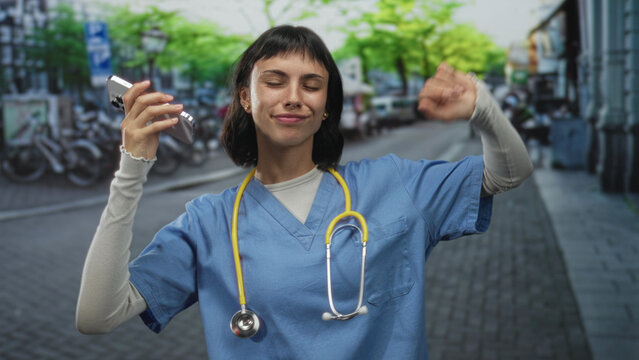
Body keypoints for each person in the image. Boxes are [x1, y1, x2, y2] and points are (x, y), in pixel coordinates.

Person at [76, 25, 533, 359]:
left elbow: (507, 174)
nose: (294, 96)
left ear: (326, 109)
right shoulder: (208, 223)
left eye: (311, 85)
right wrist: (132, 167)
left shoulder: (395, 185)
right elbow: (97, 316)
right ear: (246, 99)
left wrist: (483, 110)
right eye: (274, 81)